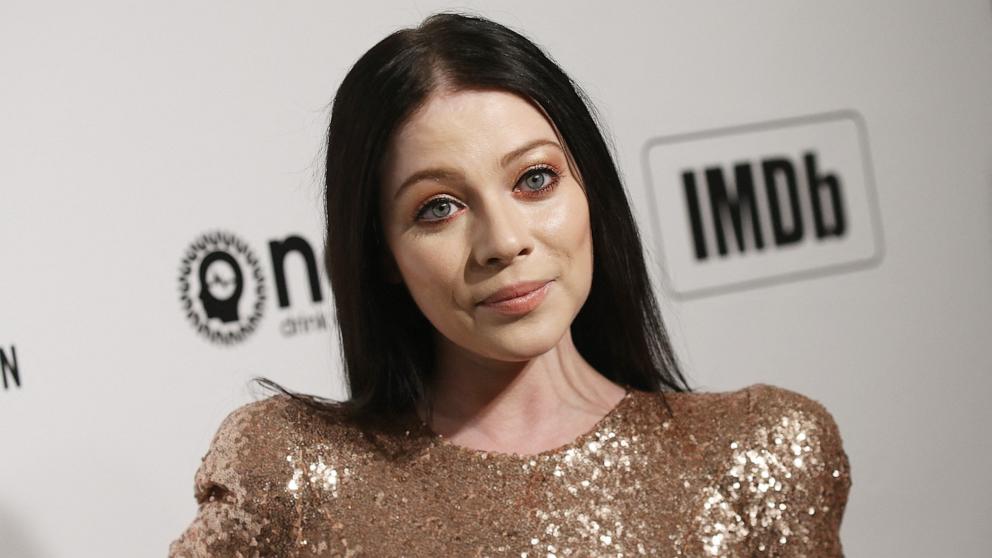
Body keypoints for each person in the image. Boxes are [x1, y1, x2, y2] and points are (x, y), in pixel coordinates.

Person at [169, 11, 851, 557]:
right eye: (438, 207)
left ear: (591, 191)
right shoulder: (291, 479)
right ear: (383, 255)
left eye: (535, 179)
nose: (504, 241)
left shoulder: (759, 455)